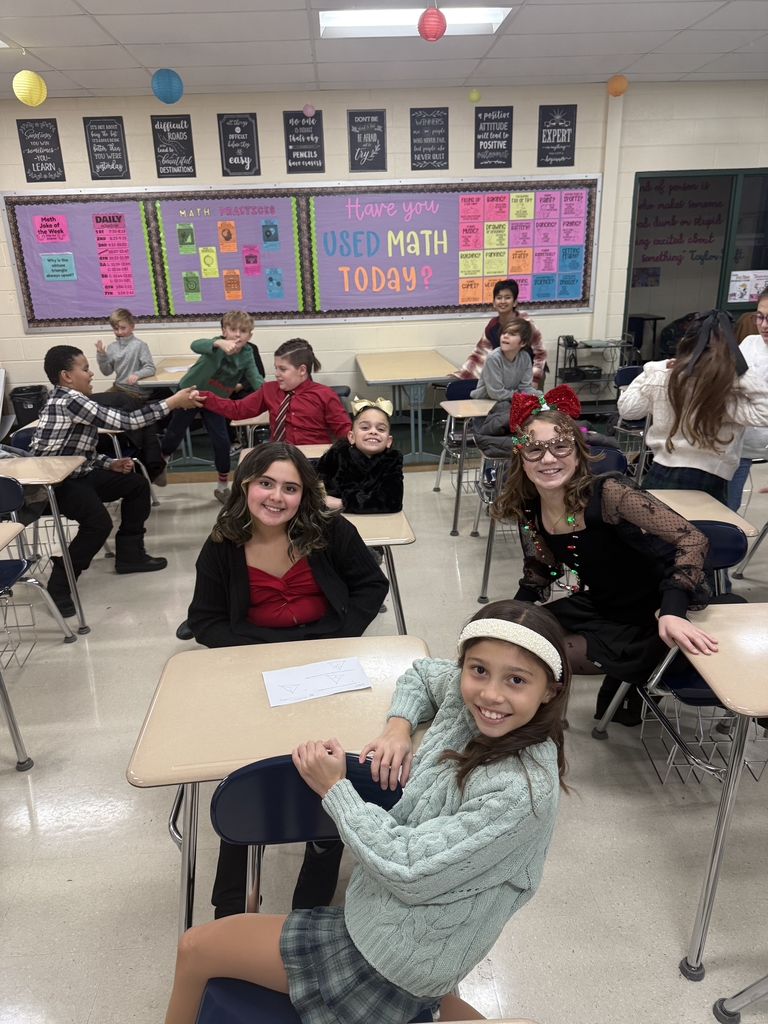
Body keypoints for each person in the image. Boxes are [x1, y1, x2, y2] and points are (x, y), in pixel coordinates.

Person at [163, 598, 570, 1024]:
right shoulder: (475, 702)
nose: (490, 693)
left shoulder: (521, 792)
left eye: (517, 680)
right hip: (393, 930)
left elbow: (409, 868)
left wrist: (334, 789)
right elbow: (422, 674)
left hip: (387, 963)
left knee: (195, 948)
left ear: (550, 691)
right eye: (478, 669)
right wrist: (398, 726)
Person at [184, 442, 389, 919]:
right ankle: (231, 908)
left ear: (305, 495)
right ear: (246, 487)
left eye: (290, 488)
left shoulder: (330, 530)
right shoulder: (222, 543)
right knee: (247, 772)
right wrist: (260, 652)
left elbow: (369, 585)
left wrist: (335, 639)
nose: (276, 496)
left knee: (332, 761)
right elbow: (205, 621)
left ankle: (316, 877)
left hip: (328, 661)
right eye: (266, 483)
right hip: (255, 668)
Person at [492, 385, 716, 727]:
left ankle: (537, 726)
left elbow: (693, 539)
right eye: (534, 450)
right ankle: (526, 722)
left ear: (578, 451)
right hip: (601, 606)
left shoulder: (609, 493)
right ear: (521, 460)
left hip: (651, 615)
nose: (549, 459)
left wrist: (672, 611)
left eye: (560, 446)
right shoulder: (532, 509)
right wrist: (513, 614)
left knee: (541, 656)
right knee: (516, 637)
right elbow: (541, 568)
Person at [31, 345, 202, 616]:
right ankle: (60, 585)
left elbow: (80, 452)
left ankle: (130, 555)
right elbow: (129, 420)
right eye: (85, 368)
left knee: (136, 485)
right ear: (66, 376)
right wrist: (171, 402)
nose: (90, 374)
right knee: (98, 523)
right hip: (54, 483)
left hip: (76, 472)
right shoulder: (69, 400)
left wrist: (108, 463)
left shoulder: (73, 400)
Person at [617, 309, 768, 504]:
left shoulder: (663, 377)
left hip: (661, 471)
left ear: (683, 344)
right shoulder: (723, 393)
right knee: (700, 533)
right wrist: (738, 372)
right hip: (709, 477)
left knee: (654, 529)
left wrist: (653, 368)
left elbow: (628, 410)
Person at [160, 310, 264, 502]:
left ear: (250, 335)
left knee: (222, 442)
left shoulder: (248, 353)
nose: (237, 335)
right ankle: (161, 463)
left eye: (243, 331)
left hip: (215, 400)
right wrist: (218, 343)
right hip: (190, 393)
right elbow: (195, 345)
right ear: (224, 331)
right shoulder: (216, 345)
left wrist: (268, 394)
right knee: (175, 432)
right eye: (233, 330)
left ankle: (222, 487)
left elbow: (255, 377)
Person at [199, 338, 351, 446]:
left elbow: (343, 429)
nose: (277, 374)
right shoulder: (269, 390)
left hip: (314, 458)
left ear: (302, 370)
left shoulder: (324, 394)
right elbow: (237, 410)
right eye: (276, 368)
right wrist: (204, 397)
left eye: (283, 369)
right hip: (279, 457)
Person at [452, 278, 547, 389]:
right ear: (494, 303)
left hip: (531, 374)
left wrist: (535, 379)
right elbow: (480, 355)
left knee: (533, 404)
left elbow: (540, 353)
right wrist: (464, 374)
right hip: (509, 376)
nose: (502, 302)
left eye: (507, 298)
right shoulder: (492, 326)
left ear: (514, 302)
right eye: (499, 298)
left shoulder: (526, 324)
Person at [314, 398, 403, 514]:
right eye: (365, 428)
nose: (373, 432)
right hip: (334, 519)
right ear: (351, 437)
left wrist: (341, 503)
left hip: (375, 521)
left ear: (388, 441)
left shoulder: (392, 460)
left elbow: (392, 501)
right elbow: (311, 481)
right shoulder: (338, 453)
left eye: (380, 429)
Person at [727, 287, 768, 511]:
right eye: (759, 317)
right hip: (740, 442)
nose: (763, 325)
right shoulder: (750, 344)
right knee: (726, 508)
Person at [470, 317, 539, 401]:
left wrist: (539, 396)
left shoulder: (525, 357)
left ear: (523, 343)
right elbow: (496, 394)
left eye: (512, 334)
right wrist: (521, 396)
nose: (505, 336)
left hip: (510, 400)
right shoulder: (494, 358)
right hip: (486, 402)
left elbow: (525, 387)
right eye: (504, 333)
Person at [95, 307, 156, 400]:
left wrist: (137, 374)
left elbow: (150, 368)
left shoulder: (139, 345)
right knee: (98, 402)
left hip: (136, 391)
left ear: (132, 326)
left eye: (123, 328)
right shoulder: (112, 347)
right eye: (116, 329)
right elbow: (106, 372)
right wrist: (102, 356)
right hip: (118, 387)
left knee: (114, 405)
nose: (119, 332)